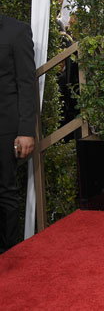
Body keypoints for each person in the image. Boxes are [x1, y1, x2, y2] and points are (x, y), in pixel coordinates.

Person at [0, 13, 36, 252]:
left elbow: (26, 82)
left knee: (4, 192)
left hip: (5, 127)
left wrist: (25, 130)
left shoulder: (17, 31)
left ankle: (8, 255)